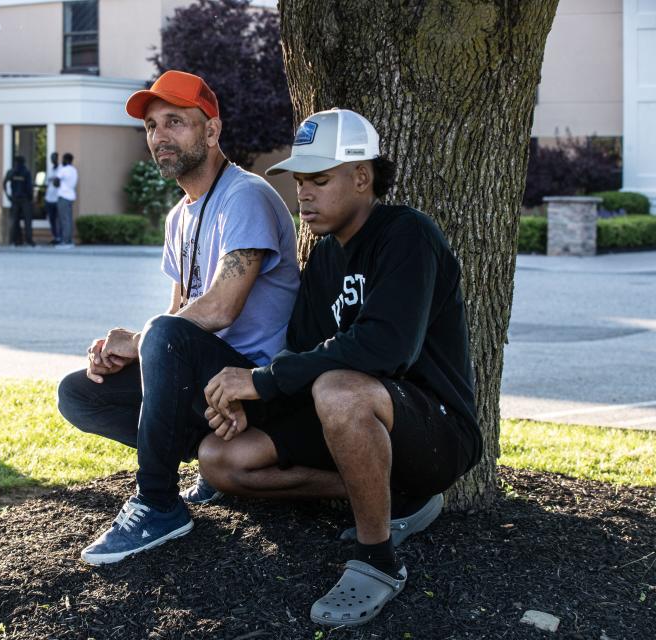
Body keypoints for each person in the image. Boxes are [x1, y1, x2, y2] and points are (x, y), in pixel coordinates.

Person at [199, 109, 483, 627]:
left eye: (320, 180)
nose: (303, 195)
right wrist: (252, 406)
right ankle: (396, 496)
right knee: (221, 459)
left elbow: (386, 348)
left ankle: (377, 559)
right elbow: (302, 352)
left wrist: (262, 381)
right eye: (301, 182)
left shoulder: (407, 235)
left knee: (339, 389)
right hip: (350, 418)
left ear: (361, 177)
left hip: (436, 426)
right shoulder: (325, 258)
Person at [57, 70, 300, 565]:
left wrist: (142, 339)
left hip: (256, 386)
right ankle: (210, 464)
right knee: (80, 393)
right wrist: (127, 354)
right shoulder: (180, 215)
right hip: (205, 382)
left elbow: (220, 307)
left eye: (175, 122)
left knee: (162, 335)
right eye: (150, 126)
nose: (159, 136)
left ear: (211, 131)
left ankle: (158, 504)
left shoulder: (244, 196)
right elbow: (180, 312)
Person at [3, 156, 35, 247]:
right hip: (24, 199)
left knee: (15, 220)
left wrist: (8, 196)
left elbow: (4, 183)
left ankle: (16, 240)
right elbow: (29, 187)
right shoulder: (26, 172)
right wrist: (31, 197)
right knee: (27, 221)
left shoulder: (12, 172)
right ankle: (28, 240)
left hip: (15, 199)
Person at [54, 153, 77, 247]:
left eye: (63, 159)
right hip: (71, 196)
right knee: (68, 219)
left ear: (66, 160)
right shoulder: (74, 170)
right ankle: (69, 239)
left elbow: (56, 181)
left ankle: (65, 240)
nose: (61, 161)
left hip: (63, 196)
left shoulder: (63, 170)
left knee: (63, 219)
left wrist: (56, 183)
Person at [44, 152, 61, 245]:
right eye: (51, 158)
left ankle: (60, 237)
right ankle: (55, 236)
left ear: (57, 158)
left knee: (58, 219)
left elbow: (58, 182)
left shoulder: (61, 169)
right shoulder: (50, 169)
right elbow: (47, 183)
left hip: (57, 198)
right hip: (49, 198)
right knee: (51, 219)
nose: (52, 160)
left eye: (54, 158)